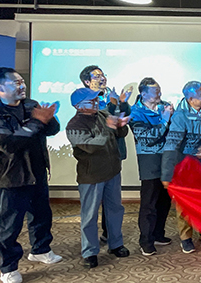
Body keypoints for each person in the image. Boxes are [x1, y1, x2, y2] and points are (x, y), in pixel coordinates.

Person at [0, 67, 63, 283]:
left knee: (41, 215)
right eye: (16, 83)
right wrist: (37, 122)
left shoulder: (30, 105)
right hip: (12, 177)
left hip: (37, 172)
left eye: (22, 82)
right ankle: (8, 267)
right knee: (9, 225)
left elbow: (52, 130)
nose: (22, 86)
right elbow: (10, 144)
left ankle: (41, 249)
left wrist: (48, 118)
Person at [66, 88, 130, 269]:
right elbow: (92, 146)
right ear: (78, 106)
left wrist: (120, 125)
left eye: (96, 99)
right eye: (91, 100)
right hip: (91, 176)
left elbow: (121, 134)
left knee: (115, 209)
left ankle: (115, 244)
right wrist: (110, 127)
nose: (96, 102)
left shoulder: (103, 114)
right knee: (90, 215)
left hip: (112, 171)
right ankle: (90, 252)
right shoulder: (74, 125)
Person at [162, 81, 201, 254]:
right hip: (184, 167)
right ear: (190, 99)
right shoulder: (180, 116)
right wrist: (166, 174)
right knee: (184, 204)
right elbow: (171, 145)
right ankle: (186, 238)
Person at [79, 65, 132, 244]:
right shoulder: (85, 100)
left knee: (113, 201)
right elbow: (98, 124)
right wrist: (112, 105)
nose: (102, 79)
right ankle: (91, 246)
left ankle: (110, 235)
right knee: (93, 204)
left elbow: (122, 119)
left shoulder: (110, 96)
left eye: (103, 75)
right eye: (97, 76)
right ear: (87, 81)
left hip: (114, 154)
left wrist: (121, 103)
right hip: (95, 158)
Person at [129, 78, 174, 256]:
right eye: (155, 92)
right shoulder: (135, 112)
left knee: (164, 201)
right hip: (149, 161)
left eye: (160, 90)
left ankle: (158, 234)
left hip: (167, 160)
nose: (159, 94)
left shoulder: (165, 106)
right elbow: (147, 138)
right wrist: (165, 120)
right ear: (143, 94)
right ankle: (146, 240)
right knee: (149, 203)